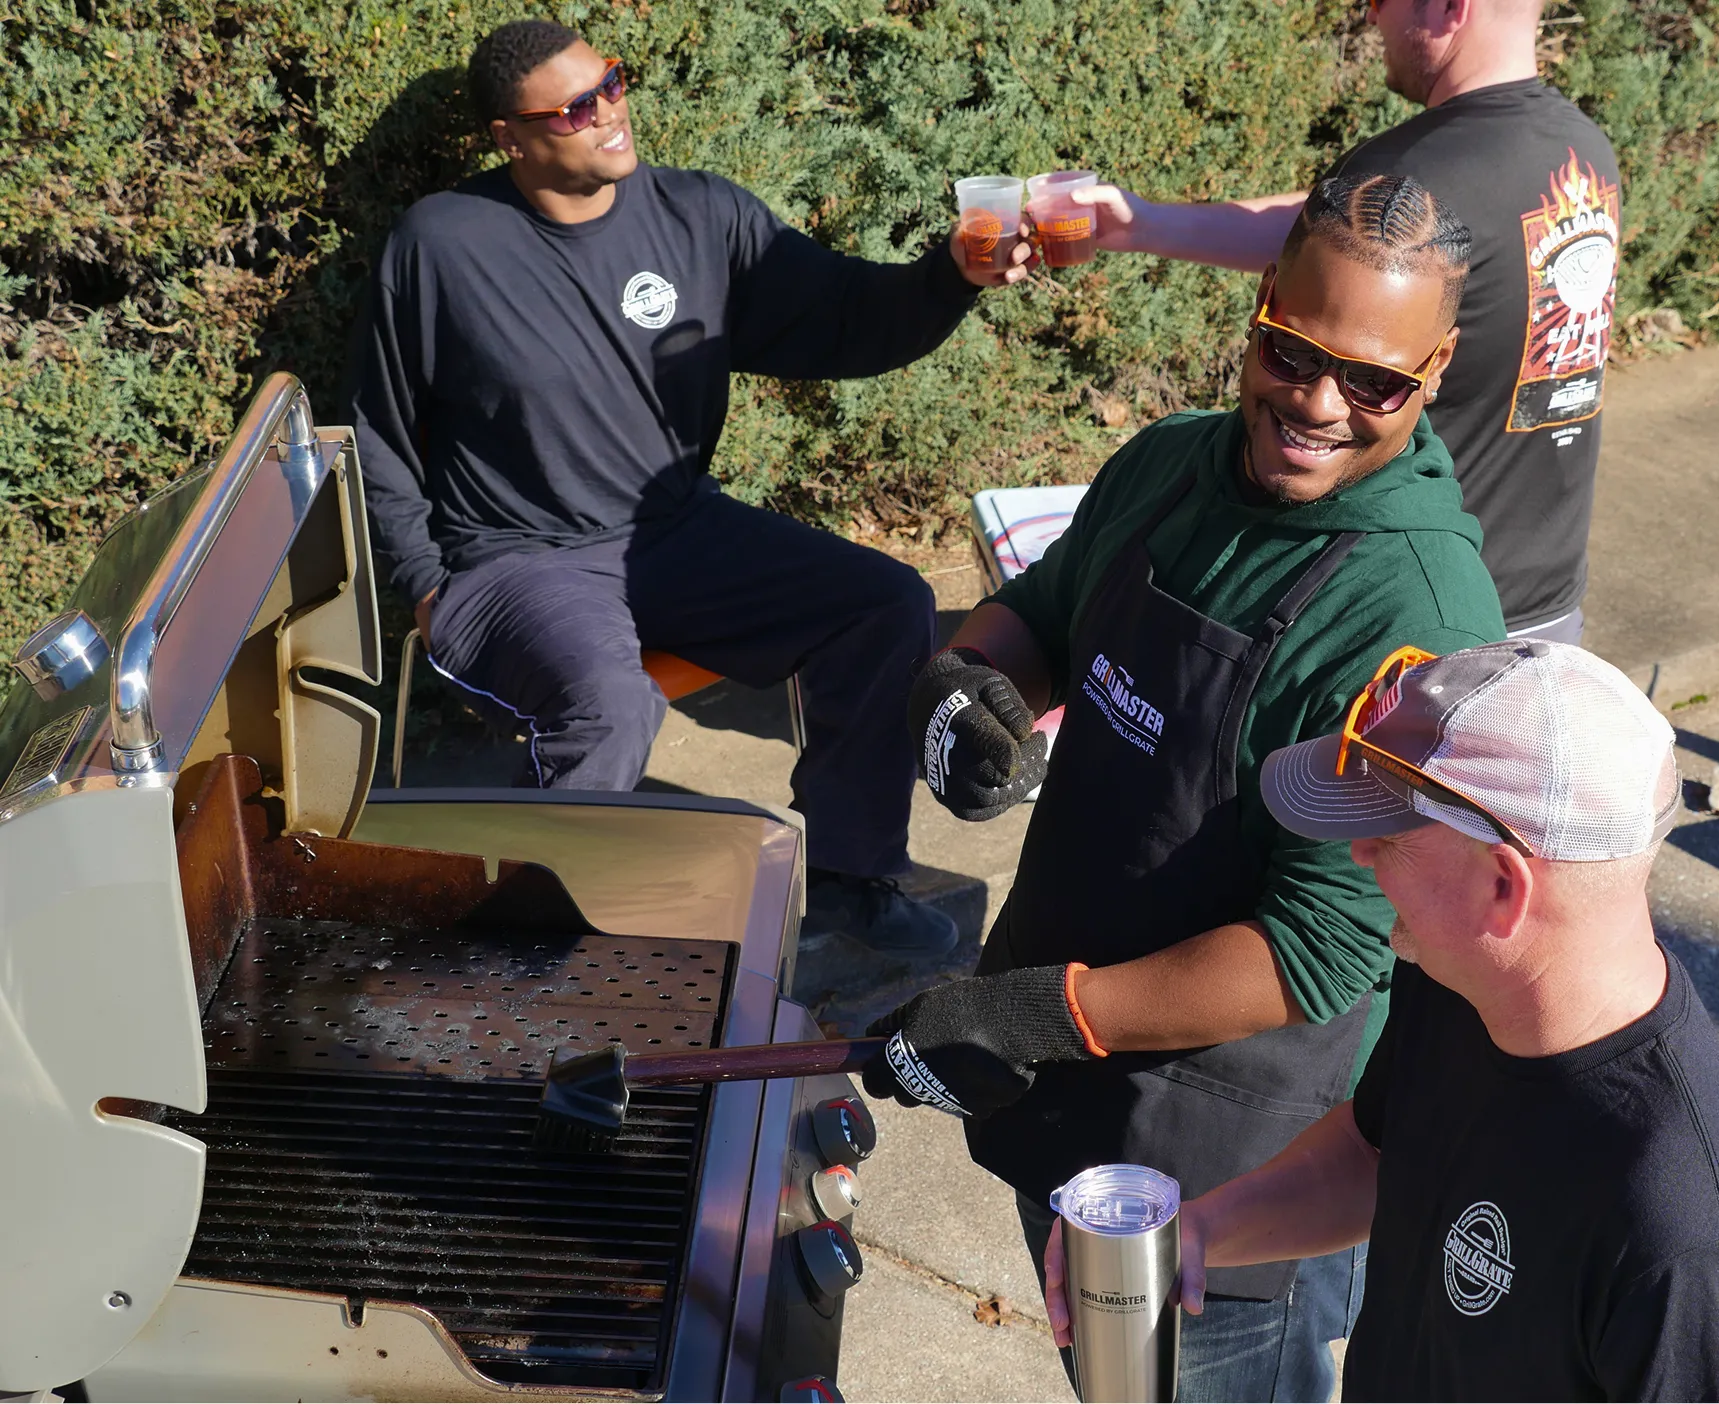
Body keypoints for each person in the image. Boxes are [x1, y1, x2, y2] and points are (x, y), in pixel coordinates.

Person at [865, 171, 1506, 1402]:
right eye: (1290, 352)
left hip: (1229, 1159)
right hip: (1061, 1070)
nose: (1314, 403)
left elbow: (1319, 948)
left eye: (1371, 382)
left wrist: (1033, 1017)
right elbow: (1044, 612)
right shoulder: (1168, 463)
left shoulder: (1413, 613)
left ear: (1433, 372)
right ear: (1257, 312)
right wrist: (961, 684)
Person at [349, 20, 1030, 955]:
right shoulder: (443, 244)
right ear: (511, 137)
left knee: (886, 605)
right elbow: (379, 430)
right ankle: (533, 951)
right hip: (518, 558)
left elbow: (847, 317)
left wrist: (951, 275)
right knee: (612, 706)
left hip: (670, 532)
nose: (608, 113)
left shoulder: (699, 217)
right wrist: (423, 582)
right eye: (574, 108)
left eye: (612, 83)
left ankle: (846, 889)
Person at [1043, 639, 1719, 1401]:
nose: (1359, 855)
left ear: (1504, 888)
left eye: (1391, 836)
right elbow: (1374, 1151)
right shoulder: (1459, 977)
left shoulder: (1692, 1239)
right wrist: (1196, 1231)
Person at [1074, 0, 1620, 644]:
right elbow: (1334, 235)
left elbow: (1340, 242)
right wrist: (1142, 224)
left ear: (1451, 6)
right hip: (1547, 593)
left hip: (1406, 610)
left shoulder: (1420, 171)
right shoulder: (1582, 150)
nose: (1370, 17)